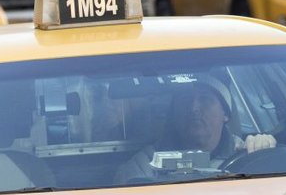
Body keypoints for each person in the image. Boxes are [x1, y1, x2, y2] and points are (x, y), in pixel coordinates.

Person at [115, 76, 276, 184]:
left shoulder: (249, 154)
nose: (194, 109)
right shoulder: (147, 163)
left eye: (205, 100)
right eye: (185, 100)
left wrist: (267, 153)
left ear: (225, 114)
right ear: (174, 114)